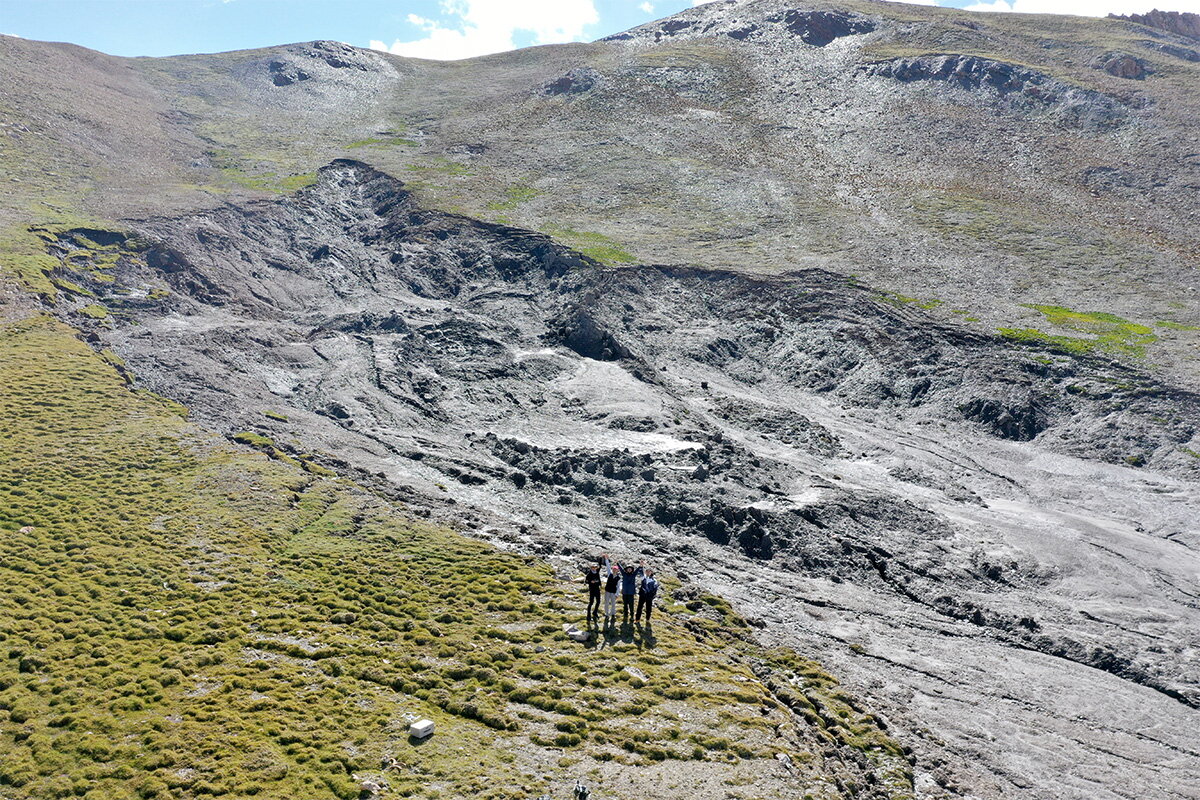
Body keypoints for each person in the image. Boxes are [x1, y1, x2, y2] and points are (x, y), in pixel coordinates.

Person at [600, 554, 620, 622]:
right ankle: (606, 613)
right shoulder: (609, 574)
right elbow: (608, 566)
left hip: (613, 592)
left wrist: (617, 594)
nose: (614, 570)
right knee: (606, 602)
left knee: (613, 603)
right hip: (607, 591)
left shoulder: (618, 578)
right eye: (614, 569)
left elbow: (618, 587)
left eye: (616, 569)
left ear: (617, 571)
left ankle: (613, 613)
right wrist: (606, 559)